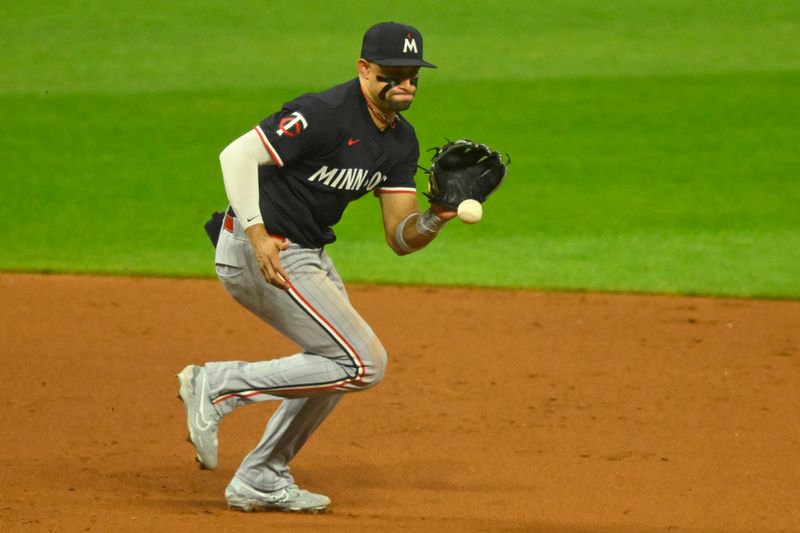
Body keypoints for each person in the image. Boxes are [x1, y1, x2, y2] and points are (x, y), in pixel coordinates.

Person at [178, 21, 454, 513]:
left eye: (414, 74)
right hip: (259, 249)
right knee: (364, 362)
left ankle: (262, 476)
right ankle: (217, 386)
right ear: (364, 69)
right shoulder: (322, 113)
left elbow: (399, 238)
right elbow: (236, 155)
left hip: (307, 254)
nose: (407, 84)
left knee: (333, 365)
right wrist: (258, 233)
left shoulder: (400, 141)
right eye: (394, 73)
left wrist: (436, 217)